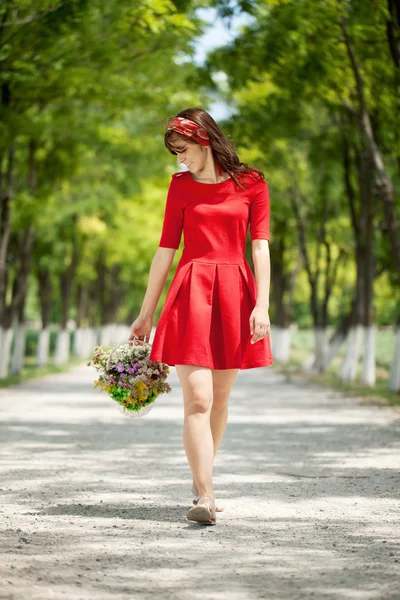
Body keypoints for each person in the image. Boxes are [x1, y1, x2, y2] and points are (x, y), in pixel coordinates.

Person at [129, 107, 273, 525]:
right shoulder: (180, 187)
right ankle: (206, 496)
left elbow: (260, 247)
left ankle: (200, 478)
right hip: (191, 291)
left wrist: (261, 304)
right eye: (175, 152)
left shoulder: (252, 184)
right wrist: (145, 313)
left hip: (235, 292)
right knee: (198, 399)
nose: (180, 159)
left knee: (220, 402)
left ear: (204, 140)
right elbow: (165, 251)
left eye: (184, 150)